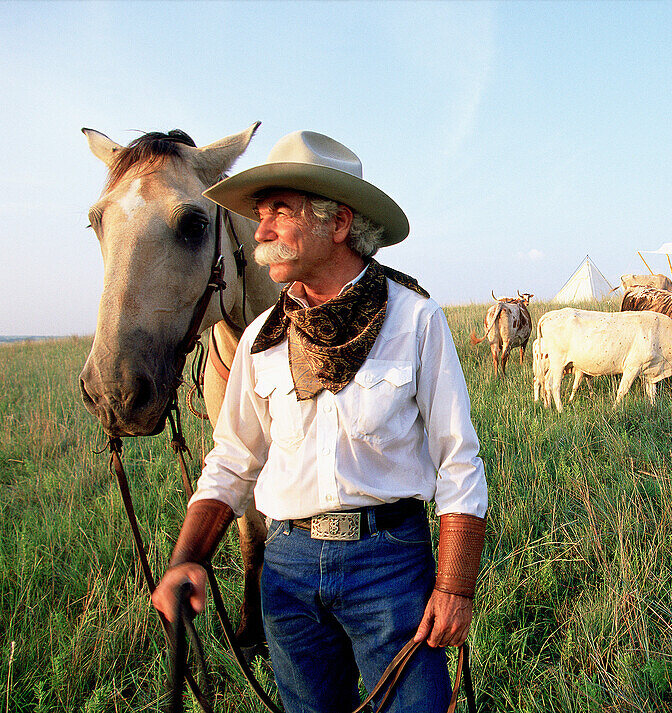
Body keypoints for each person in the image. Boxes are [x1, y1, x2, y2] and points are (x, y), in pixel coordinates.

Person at [150, 131, 488, 713]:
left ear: (337, 224)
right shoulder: (261, 339)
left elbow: (458, 461)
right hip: (287, 571)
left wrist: (454, 586)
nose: (260, 231)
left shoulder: (415, 320)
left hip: (390, 563)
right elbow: (232, 460)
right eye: (260, 215)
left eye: (279, 212)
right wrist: (188, 558)